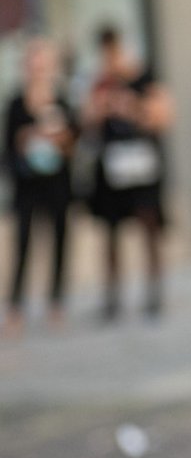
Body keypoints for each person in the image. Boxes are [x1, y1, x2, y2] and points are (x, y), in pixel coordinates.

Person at [82, 23, 173, 320]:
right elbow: (86, 123)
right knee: (110, 233)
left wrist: (131, 107)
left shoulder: (144, 78)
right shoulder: (99, 83)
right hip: (111, 168)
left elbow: (162, 117)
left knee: (149, 228)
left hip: (141, 164)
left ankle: (154, 292)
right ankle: (112, 297)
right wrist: (102, 107)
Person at [3, 37, 77, 334]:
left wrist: (60, 139)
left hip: (57, 184)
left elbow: (74, 142)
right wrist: (25, 139)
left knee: (59, 240)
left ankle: (56, 301)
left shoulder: (61, 100)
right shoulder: (15, 103)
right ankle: (15, 305)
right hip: (27, 185)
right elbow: (8, 147)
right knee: (22, 244)